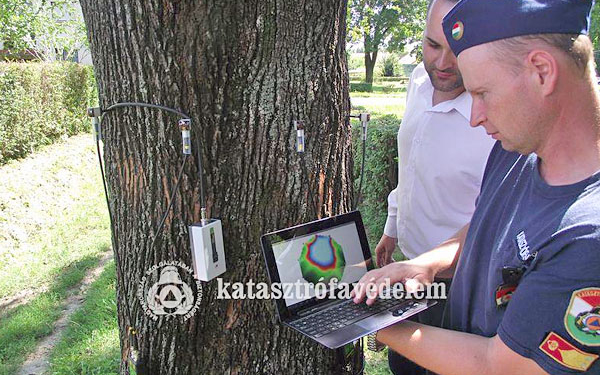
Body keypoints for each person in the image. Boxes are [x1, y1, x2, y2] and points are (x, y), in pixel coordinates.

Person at [353, 0, 600, 374]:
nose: (475, 116)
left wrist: (366, 323)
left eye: (482, 93)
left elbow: (499, 365)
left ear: (541, 71)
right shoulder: (518, 147)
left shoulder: (587, 238)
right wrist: (426, 264)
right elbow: (488, 226)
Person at [375, 0, 494, 373]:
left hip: (462, 289)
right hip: (408, 275)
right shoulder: (417, 80)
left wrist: (430, 265)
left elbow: (496, 216)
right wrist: (393, 228)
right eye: (432, 45)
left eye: (457, 49)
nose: (442, 64)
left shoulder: (496, 116)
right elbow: (411, 164)